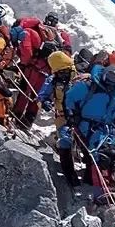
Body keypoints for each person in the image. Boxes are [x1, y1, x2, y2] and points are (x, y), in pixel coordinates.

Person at [63, 64, 115, 201]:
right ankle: (102, 191)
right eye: (109, 76)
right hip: (87, 125)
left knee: (110, 155)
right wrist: (70, 113)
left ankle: (100, 182)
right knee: (100, 155)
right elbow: (70, 98)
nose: (111, 81)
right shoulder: (88, 87)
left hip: (107, 130)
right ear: (104, 74)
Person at [36, 51, 82, 186]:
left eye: (64, 71)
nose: (62, 74)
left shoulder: (79, 76)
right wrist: (44, 102)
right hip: (62, 115)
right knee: (65, 141)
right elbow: (41, 96)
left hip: (80, 115)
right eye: (59, 71)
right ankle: (69, 173)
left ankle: (90, 174)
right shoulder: (53, 80)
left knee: (86, 142)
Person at [10, 22, 49, 129]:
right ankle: (28, 120)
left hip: (33, 69)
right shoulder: (38, 32)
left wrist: (23, 64)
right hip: (43, 70)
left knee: (25, 91)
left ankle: (16, 116)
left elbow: (27, 53)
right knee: (35, 95)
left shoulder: (25, 33)